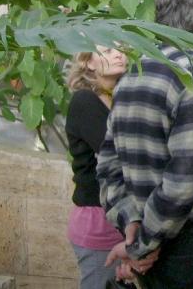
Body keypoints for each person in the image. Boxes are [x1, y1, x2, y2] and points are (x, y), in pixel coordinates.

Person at [97, 0, 193, 289]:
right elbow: (185, 180)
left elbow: (107, 165)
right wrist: (145, 243)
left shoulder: (135, 72)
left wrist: (131, 224)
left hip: (150, 237)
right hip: (192, 243)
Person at [65, 46, 127, 289]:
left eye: (121, 49)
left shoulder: (120, 97)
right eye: (108, 50)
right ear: (89, 63)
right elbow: (119, 152)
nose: (118, 54)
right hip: (98, 220)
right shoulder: (84, 101)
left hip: (122, 218)